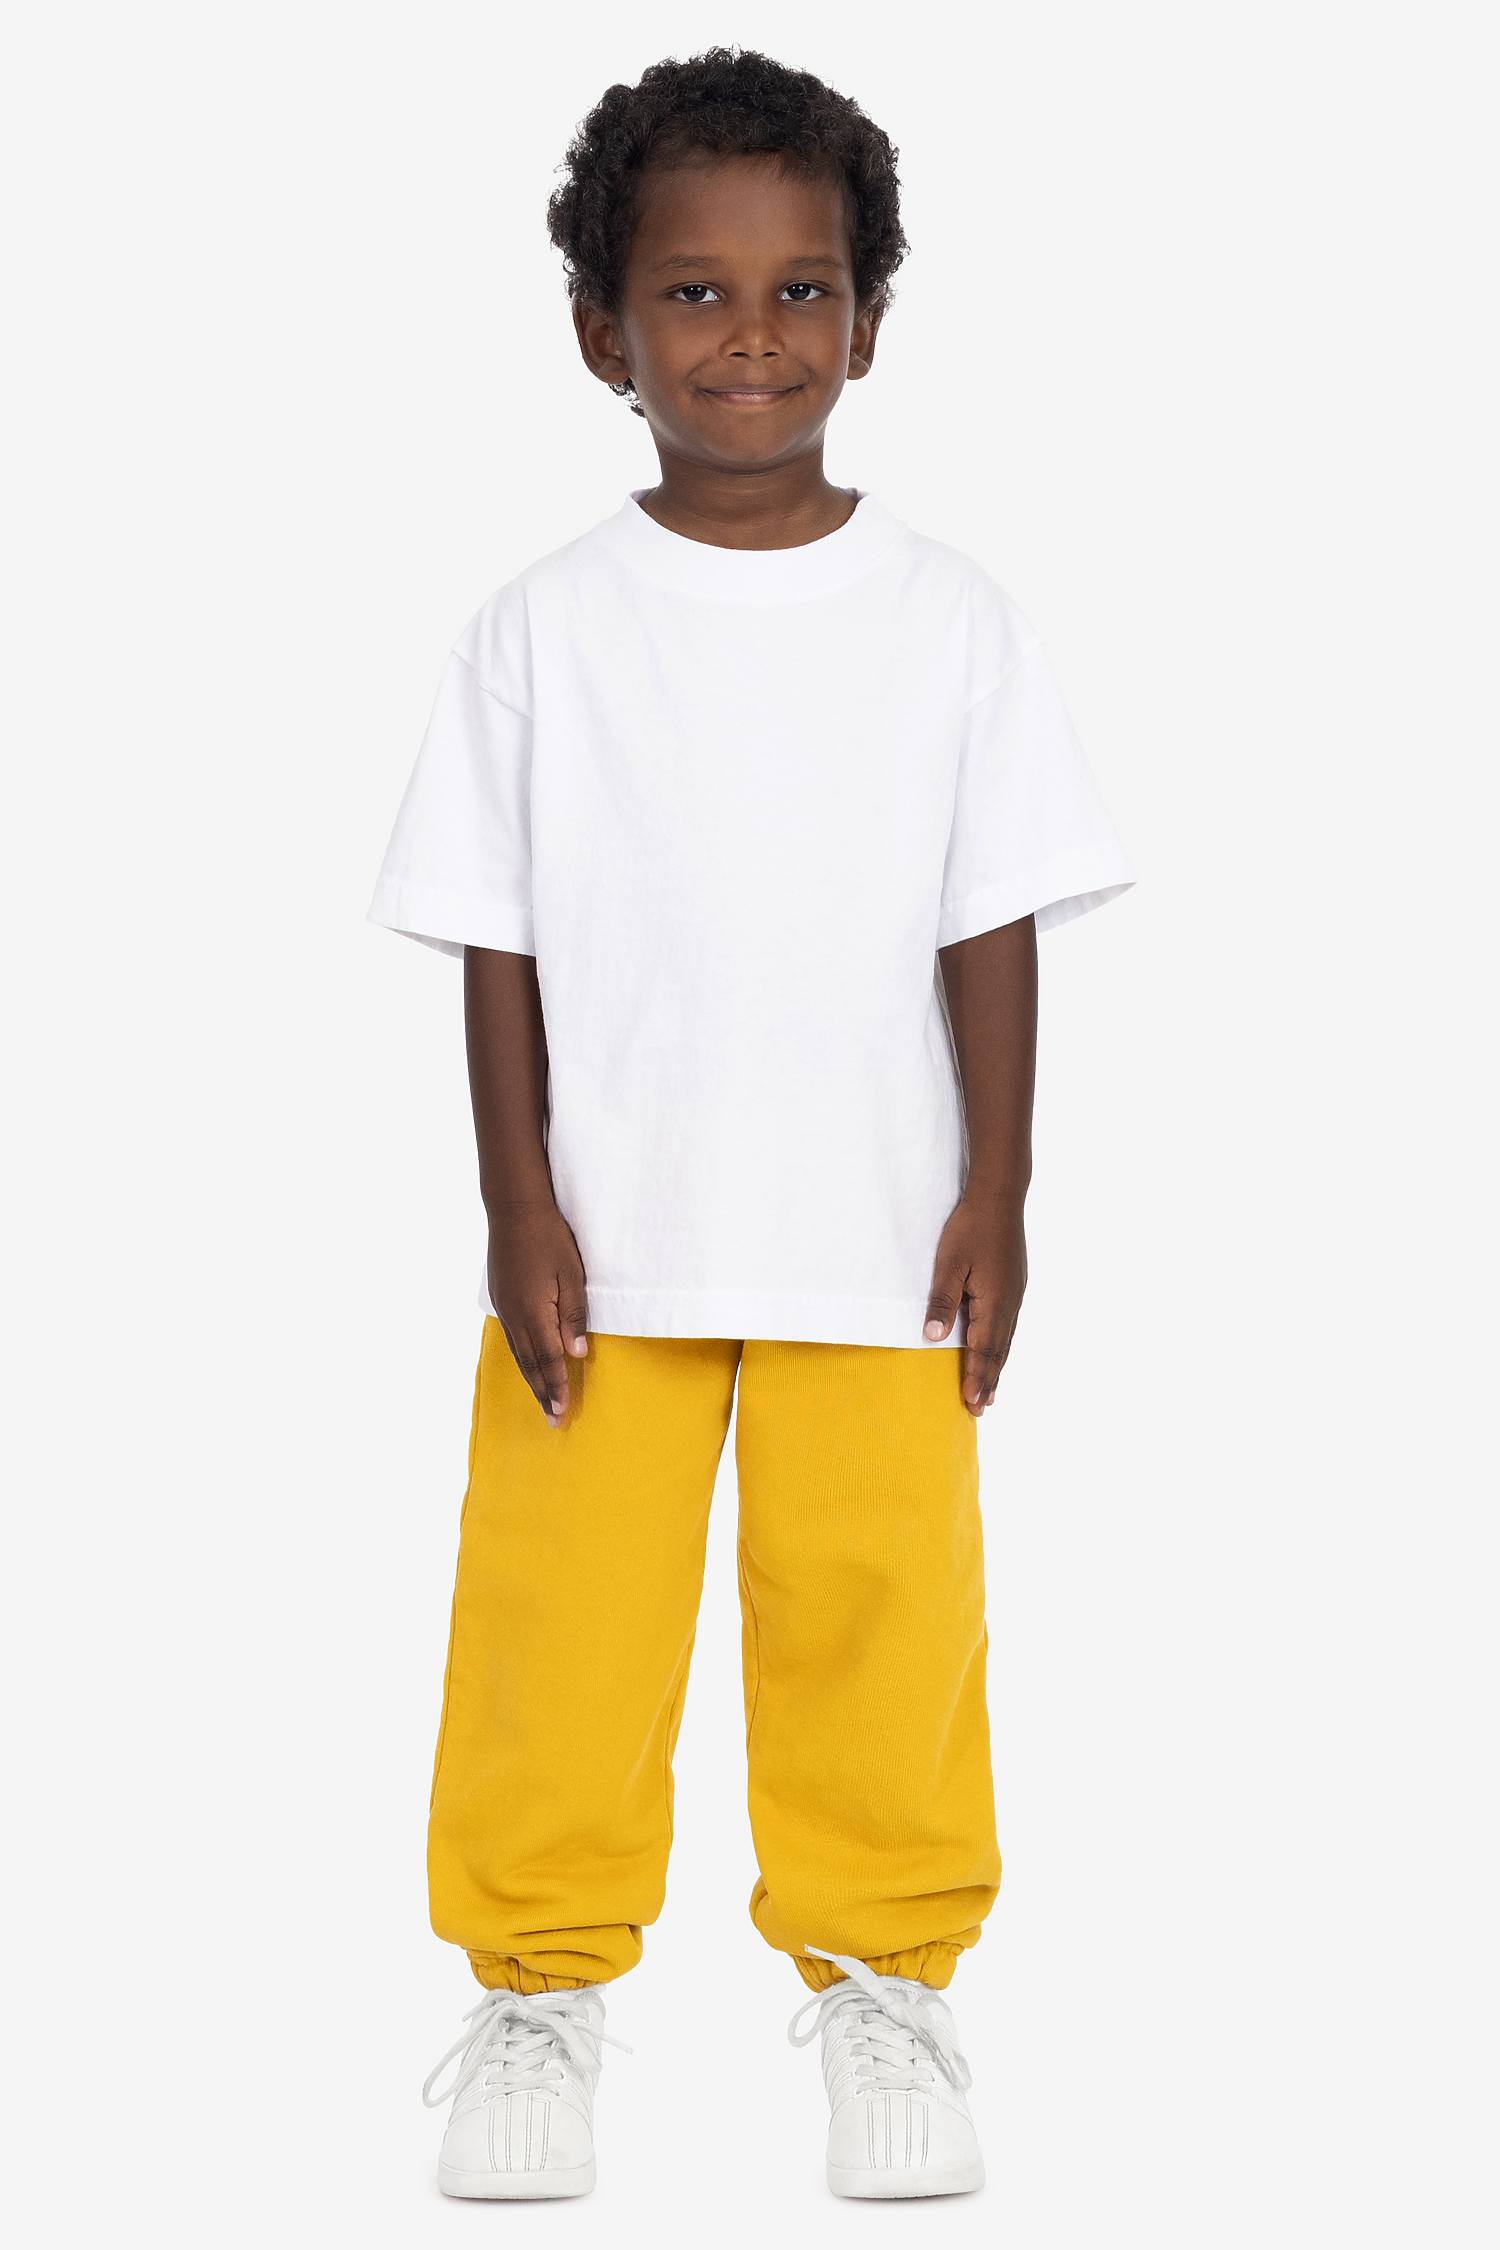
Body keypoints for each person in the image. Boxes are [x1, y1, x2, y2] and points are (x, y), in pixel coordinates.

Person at [371, 46, 1133, 2203]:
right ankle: (536, 1989)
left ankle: (887, 1978)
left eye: (804, 290)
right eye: (693, 294)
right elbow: (498, 937)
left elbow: (992, 919)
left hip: (879, 1238)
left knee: (885, 1619)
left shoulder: (953, 619)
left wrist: (1001, 1186)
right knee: (557, 1630)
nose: (751, 336)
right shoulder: (540, 630)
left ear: (868, 326)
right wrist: (518, 1203)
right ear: (600, 332)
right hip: (605, 1248)